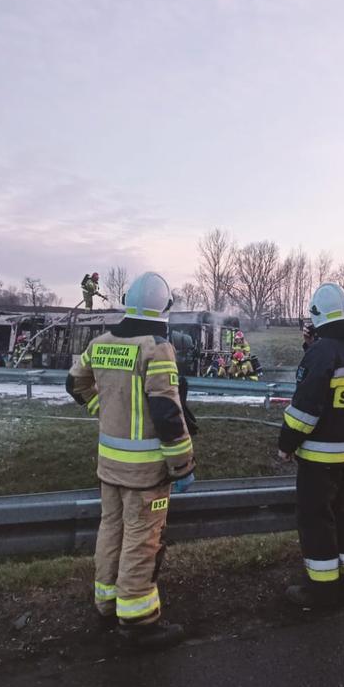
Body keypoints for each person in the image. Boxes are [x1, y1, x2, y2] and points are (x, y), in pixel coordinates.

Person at [66, 271, 195, 650]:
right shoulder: (156, 348)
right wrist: (183, 465)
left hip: (109, 466)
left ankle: (107, 603)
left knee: (111, 532)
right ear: (164, 308)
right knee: (142, 539)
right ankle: (138, 620)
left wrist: (103, 408)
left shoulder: (101, 343)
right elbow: (167, 414)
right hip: (146, 473)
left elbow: (74, 383)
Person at [277, 283, 344, 609]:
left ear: (317, 315)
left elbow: (306, 408)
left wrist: (286, 444)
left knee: (316, 521)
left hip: (318, 457)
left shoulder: (322, 352)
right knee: (343, 516)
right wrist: (311, 349)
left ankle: (321, 591)